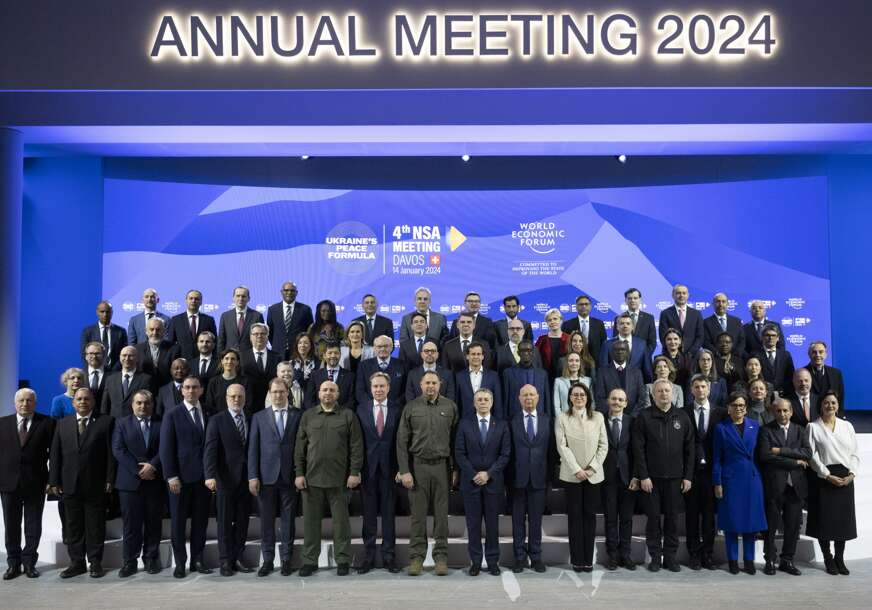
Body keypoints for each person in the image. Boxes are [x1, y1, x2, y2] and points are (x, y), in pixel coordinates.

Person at [294, 380, 363, 577]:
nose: (328, 393)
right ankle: (309, 561)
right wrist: (299, 473)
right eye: (324, 389)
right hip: (311, 480)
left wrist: (354, 472)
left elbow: (356, 446)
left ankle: (343, 560)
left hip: (339, 479)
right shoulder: (308, 416)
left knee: (341, 524)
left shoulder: (348, 415)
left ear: (338, 394)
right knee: (311, 524)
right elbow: (299, 448)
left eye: (332, 390)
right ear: (318, 393)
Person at [397, 371, 459, 576]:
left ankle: (441, 558)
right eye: (427, 383)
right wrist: (404, 471)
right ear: (421, 385)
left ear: (440, 384)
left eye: (434, 382)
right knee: (418, 517)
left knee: (442, 517)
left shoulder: (450, 407)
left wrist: (455, 468)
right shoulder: (411, 407)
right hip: (418, 468)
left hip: (442, 467)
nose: (430, 386)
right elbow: (401, 442)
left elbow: (456, 441)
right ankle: (416, 558)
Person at [49, 388, 116, 579]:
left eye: (87, 399)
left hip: (96, 484)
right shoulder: (62, 423)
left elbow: (111, 454)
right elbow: (55, 454)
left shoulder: (106, 422)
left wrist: (110, 479)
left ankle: (95, 563)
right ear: (73, 403)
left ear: (93, 401)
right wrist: (54, 481)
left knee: (95, 526)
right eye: (79, 399)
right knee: (73, 526)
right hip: (69, 484)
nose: (83, 402)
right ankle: (76, 563)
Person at [633, 379, 694, 572]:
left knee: (672, 520)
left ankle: (670, 558)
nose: (664, 394)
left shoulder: (682, 417)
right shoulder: (644, 417)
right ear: (653, 395)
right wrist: (643, 476)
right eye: (659, 391)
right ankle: (655, 558)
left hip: (676, 480)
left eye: (667, 390)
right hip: (651, 480)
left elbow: (690, 449)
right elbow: (638, 450)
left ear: (673, 393)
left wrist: (688, 476)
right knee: (653, 520)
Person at [248, 378, 303, 577]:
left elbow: (302, 447)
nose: (278, 395)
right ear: (269, 394)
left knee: (288, 521)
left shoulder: (299, 415)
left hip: (290, 476)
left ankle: (287, 560)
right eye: (274, 392)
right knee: (267, 522)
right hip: (266, 477)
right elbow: (253, 449)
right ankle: (268, 560)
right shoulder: (259, 417)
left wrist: (300, 473)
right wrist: (252, 476)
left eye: (281, 391)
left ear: (288, 392)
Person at [159, 376, 212, 578]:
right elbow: (166, 448)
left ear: (201, 390)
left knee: (201, 522)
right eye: (187, 387)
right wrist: (171, 476)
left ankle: (197, 560)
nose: (191, 391)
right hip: (179, 479)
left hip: (204, 479)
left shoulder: (209, 412)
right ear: (181, 391)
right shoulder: (172, 414)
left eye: (195, 387)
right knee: (178, 523)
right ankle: (180, 563)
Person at [455, 388, 511, 576]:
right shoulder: (464, 424)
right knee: (473, 525)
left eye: (486, 399)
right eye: (479, 399)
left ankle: (493, 562)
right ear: (474, 403)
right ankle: (476, 562)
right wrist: (474, 474)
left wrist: (488, 474)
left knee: (493, 525)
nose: (483, 402)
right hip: (471, 483)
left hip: (493, 483)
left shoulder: (501, 425)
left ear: (492, 402)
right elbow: (459, 453)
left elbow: (505, 454)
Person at [1, 389, 55, 580]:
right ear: (15, 403)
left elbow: (55, 454)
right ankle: (13, 564)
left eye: (29, 400)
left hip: (36, 482)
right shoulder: (2, 423)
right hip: (8, 483)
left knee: (33, 525)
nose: (25, 404)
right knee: (11, 525)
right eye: (21, 400)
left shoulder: (47, 423)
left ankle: (29, 563)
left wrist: (52, 480)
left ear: (35, 403)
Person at [712, 391, 768, 575]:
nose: (738, 408)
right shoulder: (721, 428)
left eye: (741, 405)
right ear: (728, 408)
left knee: (751, 523)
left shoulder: (755, 425)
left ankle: (749, 560)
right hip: (730, 480)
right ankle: (733, 561)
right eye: (735, 405)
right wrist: (717, 482)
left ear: (746, 408)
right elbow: (717, 458)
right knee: (732, 523)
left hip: (752, 479)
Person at [556, 382, 607, 572]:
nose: (579, 398)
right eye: (575, 395)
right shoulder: (562, 418)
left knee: (590, 517)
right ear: (570, 397)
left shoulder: (598, 417)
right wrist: (577, 469)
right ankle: (577, 560)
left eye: (582, 395)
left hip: (593, 476)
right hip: (572, 475)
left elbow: (603, 445)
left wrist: (591, 468)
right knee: (575, 518)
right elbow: (562, 446)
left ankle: (588, 560)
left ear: (588, 398)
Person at [111, 389, 163, 577]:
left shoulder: (162, 422)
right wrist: (139, 471)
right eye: (139, 403)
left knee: (153, 523)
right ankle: (129, 562)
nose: (143, 406)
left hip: (155, 481)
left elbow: (166, 447)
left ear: (152, 404)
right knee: (131, 525)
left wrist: (152, 465)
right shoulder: (121, 423)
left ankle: (151, 559)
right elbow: (118, 449)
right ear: (132, 405)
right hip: (129, 483)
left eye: (147, 403)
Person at [757, 397, 812, 576]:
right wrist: (795, 461)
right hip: (774, 485)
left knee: (793, 527)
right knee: (770, 526)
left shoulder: (800, 430)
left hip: (795, 486)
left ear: (791, 412)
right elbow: (765, 456)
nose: (782, 414)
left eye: (785, 410)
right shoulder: (766, 430)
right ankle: (770, 559)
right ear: (774, 412)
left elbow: (807, 453)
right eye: (778, 411)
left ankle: (787, 560)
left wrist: (780, 451)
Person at [806, 391, 858, 576]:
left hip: (845, 478)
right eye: (826, 403)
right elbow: (812, 456)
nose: (830, 406)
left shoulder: (847, 426)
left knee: (842, 522)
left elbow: (854, 453)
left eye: (833, 402)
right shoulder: (813, 427)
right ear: (820, 405)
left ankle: (839, 558)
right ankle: (828, 557)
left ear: (838, 405)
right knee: (825, 522)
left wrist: (852, 474)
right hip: (824, 479)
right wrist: (827, 475)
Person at [205, 383, 253, 576]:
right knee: (224, 522)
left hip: (246, 479)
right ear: (226, 398)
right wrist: (209, 475)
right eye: (233, 396)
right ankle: (225, 560)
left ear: (245, 399)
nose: (236, 399)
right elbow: (210, 449)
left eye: (240, 396)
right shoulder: (217, 420)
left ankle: (237, 557)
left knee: (242, 521)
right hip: (224, 479)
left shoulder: (250, 418)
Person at [356, 372, 402, 574]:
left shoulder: (398, 409)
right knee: (369, 515)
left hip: (390, 470)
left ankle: (389, 556)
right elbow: (357, 441)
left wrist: (401, 468)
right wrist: (356, 469)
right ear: (370, 388)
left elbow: (401, 441)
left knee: (389, 515)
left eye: (382, 386)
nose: (379, 389)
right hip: (368, 470)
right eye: (375, 386)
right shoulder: (361, 409)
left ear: (389, 388)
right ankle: (368, 556)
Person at [683, 375, 727, 570]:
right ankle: (693, 554)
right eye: (697, 387)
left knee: (709, 516)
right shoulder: (684, 412)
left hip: (711, 472)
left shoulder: (720, 413)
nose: (700, 390)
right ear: (691, 390)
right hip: (691, 472)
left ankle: (708, 554)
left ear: (709, 389)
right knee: (692, 515)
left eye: (703, 386)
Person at [510, 384, 550, 574]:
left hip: (539, 478)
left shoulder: (547, 420)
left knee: (536, 521)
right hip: (517, 479)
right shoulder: (512, 421)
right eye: (524, 395)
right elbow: (509, 452)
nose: (528, 398)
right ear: (519, 399)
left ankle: (536, 557)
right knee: (518, 521)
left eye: (531, 395)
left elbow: (551, 451)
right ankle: (519, 557)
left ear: (538, 397)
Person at [600, 388, 638, 571]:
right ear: (608, 401)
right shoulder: (599, 420)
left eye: (620, 399)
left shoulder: (633, 422)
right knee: (610, 518)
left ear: (626, 403)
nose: (617, 402)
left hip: (628, 476)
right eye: (614, 399)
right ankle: (613, 555)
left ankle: (625, 554)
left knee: (626, 518)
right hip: (606, 476)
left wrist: (636, 475)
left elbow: (637, 451)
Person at [594, 341, 649, 416]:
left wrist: (632, 416)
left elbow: (642, 399)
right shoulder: (602, 372)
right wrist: (613, 415)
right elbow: (599, 398)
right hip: (610, 417)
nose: (620, 352)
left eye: (623, 349)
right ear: (611, 352)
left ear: (628, 353)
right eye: (616, 350)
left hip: (633, 418)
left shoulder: (637, 372)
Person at [101, 346, 155, 418]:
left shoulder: (146, 379)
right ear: (120, 357)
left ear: (137, 358)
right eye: (124, 355)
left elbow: (149, 404)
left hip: (136, 421)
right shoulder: (110, 379)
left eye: (131, 356)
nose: (127, 358)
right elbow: (105, 405)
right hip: (114, 421)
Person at [239, 322, 280, 416]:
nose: (259, 336)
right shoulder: (241, 357)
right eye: (256, 334)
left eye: (262, 334)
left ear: (267, 337)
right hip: (248, 405)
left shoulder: (277, 357)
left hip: (271, 404)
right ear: (250, 337)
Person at [266, 281, 314, 360]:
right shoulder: (273, 309)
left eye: (292, 290)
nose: (289, 292)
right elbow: (270, 332)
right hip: (278, 352)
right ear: (281, 292)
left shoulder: (305, 309)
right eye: (286, 290)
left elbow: (309, 332)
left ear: (296, 293)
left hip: (298, 352)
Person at [600, 312, 653, 382]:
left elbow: (647, 369)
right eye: (622, 323)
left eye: (628, 323)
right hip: (613, 385)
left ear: (633, 327)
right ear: (617, 327)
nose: (625, 326)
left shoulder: (642, 344)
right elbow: (603, 368)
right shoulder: (607, 344)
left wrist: (648, 385)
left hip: (636, 385)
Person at [503, 341, 551, 419]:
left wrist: (548, 419)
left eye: (528, 350)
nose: (526, 353)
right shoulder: (508, 373)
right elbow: (505, 401)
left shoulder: (542, 374)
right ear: (518, 353)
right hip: (515, 419)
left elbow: (547, 400)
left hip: (539, 418)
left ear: (533, 353)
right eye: (523, 351)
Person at [455, 341, 502, 420]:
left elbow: (498, 402)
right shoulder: (459, 376)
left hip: (488, 420)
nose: (476, 357)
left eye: (478, 354)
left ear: (483, 356)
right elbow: (457, 402)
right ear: (467, 356)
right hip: (466, 421)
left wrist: (498, 422)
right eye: (473, 354)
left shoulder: (493, 376)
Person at [356, 334, 406, 406]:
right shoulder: (363, 366)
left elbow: (405, 391)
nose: (382, 349)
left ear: (392, 347)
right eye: (379, 346)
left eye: (386, 346)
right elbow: (360, 391)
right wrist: (373, 405)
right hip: (369, 408)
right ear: (374, 348)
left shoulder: (403, 365)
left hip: (396, 408)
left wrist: (394, 406)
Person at [167, 289, 217, 361]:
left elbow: (214, 342)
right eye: (191, 298)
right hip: (181, 361)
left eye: (196, 299)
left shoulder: (209, 320)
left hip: (203, 361)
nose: (193, 301)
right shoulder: (176, 320)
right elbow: (170, 343)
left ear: (201, 302)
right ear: (186, 301)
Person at [305, 342, 355, 409]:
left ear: (340, 355)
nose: (333, 355)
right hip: (318, 414)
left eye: (336, 353)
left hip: (342, 414)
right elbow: (309, 400)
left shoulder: (350, 376)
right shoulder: (315, 375)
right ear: (324, 355)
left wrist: (338, 412)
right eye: (330, 353)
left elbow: (351, 401)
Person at [80, 300, 127, 370]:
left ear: (112, 313)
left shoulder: (121, 331)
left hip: (115, 371)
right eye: (102, 312)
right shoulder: (87, 331)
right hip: (94, 371)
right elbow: (84, 354)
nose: (105, 314)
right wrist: (93, 370)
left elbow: (123, 353)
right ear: (97, 312)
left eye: (108, 312)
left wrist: (115, 370)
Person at [658, 284, 704, 355]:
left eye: (684, 293)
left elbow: (700, 336)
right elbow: (663, 336)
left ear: (688, 295)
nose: (681, 295)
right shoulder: (665, 313)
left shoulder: (696, 314)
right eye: (678, 293)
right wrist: (674, 352)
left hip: (692, 356)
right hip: (671, 355)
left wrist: (691, 352)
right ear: (673, 295)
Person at [217, 285, 265, 353]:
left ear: (248, 299)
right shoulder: (225, 316)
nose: (240, 298)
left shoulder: (257, 316)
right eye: (238, 296)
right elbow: (221, 339)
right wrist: (220, 356)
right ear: (233, 298)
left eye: (243, 296)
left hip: (250, 356)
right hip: (230, 356)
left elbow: (260, 339)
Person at [135, 316, 180, 387]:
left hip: (166, 388)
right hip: (143, 389)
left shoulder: (174, 349)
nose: (155, 333)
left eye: (158, 329)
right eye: (151, 329)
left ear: (164, 331)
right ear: (146, 331)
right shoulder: (137, 349)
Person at [561, 295, 607, 363]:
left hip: (595, 362)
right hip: (574, 362)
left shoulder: (599, 324)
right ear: (576, 307)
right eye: (581, 304)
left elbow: (604, 345)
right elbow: (565, 346)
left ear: (590, 306)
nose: (584, 306)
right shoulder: (567, 324)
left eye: (586, 304)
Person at [205, 348, 251, 415]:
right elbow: (210, 404)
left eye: (233, 359)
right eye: (226, 358)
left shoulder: (245, 381)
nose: (229, 361)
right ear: (222, 361)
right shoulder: (213, 382)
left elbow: (248, 403)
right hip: (218, 418)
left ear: (237, 362)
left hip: (239, 418)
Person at [754, 324, 795, 397]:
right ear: (762, 337)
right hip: (762, 395)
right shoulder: (755, 355)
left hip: (783, 395)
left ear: (778, 338)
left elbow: (791, 376)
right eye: (767, 335)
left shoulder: (786, 355)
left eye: (773, 335)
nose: (770, 338)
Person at [804, 341, 846, 411]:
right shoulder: (801, 373)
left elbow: (840, 397)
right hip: (809, 414)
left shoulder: (836, 373)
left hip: (830, 413)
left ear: (826, 354)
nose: (818, 355)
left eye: (821, 352)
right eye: (814, 352)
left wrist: (840, 415)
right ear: (809, 354)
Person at [616, 288, 657, 355]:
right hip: (623, 357)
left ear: (640, 300)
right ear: (625, 300)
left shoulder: (649, 318)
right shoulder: (618, 318)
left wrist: (644, 356)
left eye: (635, 298)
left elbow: (652, 342)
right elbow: (616, 341)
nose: (632, 300)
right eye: (630, 298)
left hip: (643, 357)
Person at [534, 308, 569, 385]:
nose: (552, 322)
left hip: (565, 376)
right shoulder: (541, 339)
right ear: (547, 323)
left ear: (561, 320)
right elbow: (535, 358)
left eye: (555, 319)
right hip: (546, 378)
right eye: (549, 320)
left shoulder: (569, 338)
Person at [82, 341, 109, 406]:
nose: (94, 356)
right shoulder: (80, 375)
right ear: (86, 356)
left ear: (104, 356)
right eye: (91, 353)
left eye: (97, 353)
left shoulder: (114, 376)